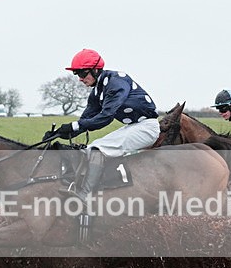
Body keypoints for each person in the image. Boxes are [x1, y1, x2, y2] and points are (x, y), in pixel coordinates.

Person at [44, 48, 160, 204]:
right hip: (134, 126)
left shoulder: (116, 82)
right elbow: (85, 120)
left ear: (95, 69)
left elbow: (105, 117)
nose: (80, 79)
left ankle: (85, 195)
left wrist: (74, 126)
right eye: (77, 74)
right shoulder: (97, 91)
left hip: (147, 128)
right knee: (90, 149)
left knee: (97, 149)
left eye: (82, 73)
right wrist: (60, 133)